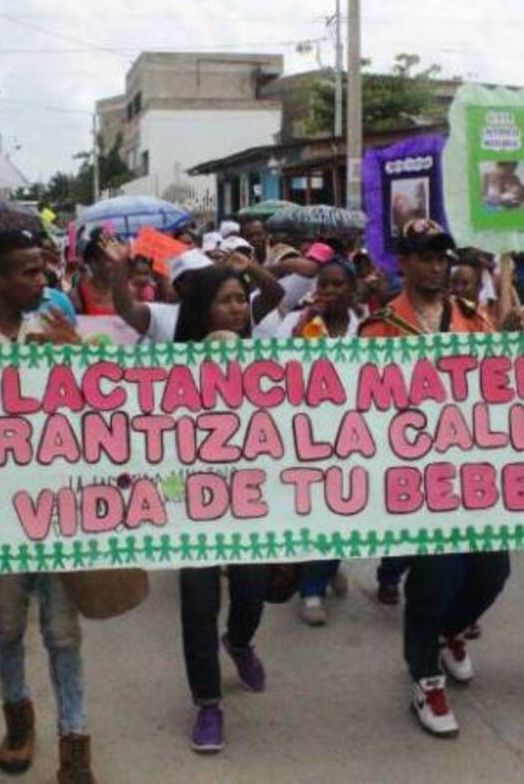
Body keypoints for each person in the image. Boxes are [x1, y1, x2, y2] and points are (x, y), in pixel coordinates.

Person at [0, 230, 94, 783]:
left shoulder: (56, 331)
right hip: (0, 517)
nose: (42, 280)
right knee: (6, 625)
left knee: (62, 633)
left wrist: (78, 362)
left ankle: (75, 743)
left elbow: (104, 410)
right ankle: (18, 720)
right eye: (29, 272)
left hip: (59, 510)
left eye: (43, 270)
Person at [359, 219, 506, 739]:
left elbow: (498, 386)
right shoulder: (378, 328)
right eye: (424, 256)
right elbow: (362, 405)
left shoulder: (474, 318)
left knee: (492, 569)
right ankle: (424, 674)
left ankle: (450, 631)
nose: (436, 266)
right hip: (414, 475)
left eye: (442, 257)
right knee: (435, 575)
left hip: (473, 467)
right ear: (403, 262)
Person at [170, 264, 269, 753]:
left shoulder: (265, 360)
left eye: (240, 300)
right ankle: (207, 703)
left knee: (253, 589)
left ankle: (241, 641)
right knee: (197, 603)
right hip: (193, 505)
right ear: (201, 310)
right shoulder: (173, 366)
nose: (235, 309)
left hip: (249, 501)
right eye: (225, 300)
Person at [280, 256, 360, 625]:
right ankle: (312, 588)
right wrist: (302, 325)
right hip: (307, 433)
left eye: (337, 284)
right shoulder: (299, 324)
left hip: (354, 433)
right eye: (324, 284)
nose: (329, 290)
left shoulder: (366, 328)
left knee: (344, 507)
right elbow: (282, 367)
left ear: (352, 290)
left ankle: (325, 567)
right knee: (317, 509)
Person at [109, 246, 214, 343]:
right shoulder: (160, 314)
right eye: (204, 275)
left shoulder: (220, 310)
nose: (212, 280)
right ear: (183, 284)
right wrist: (120, 266)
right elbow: (126, 308)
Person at [70, 234, 117, 316]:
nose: (115, 263)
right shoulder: (77, 297)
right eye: (109, 259)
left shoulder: (126, 293)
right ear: (93, 263)